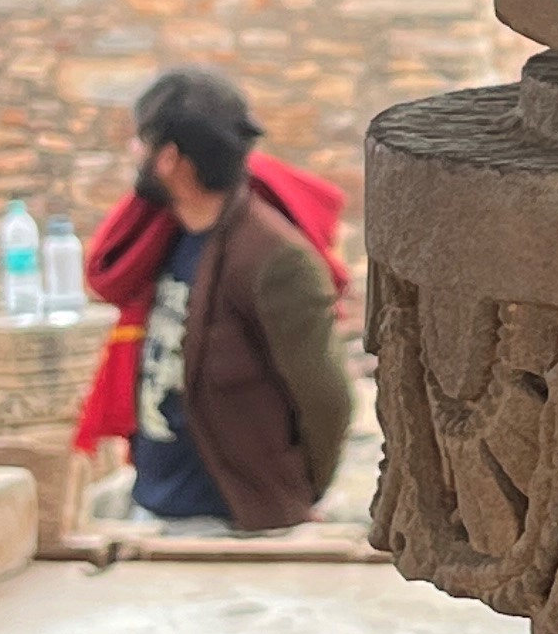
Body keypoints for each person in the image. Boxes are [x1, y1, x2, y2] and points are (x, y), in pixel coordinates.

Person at [72, 68, 354, 531]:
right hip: (154, 503)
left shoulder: (275, 259)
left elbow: (329, 400)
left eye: (141, 141)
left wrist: (285, 497)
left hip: (231, 525)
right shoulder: (162, 236)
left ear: (170, 158)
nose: (133, 152)